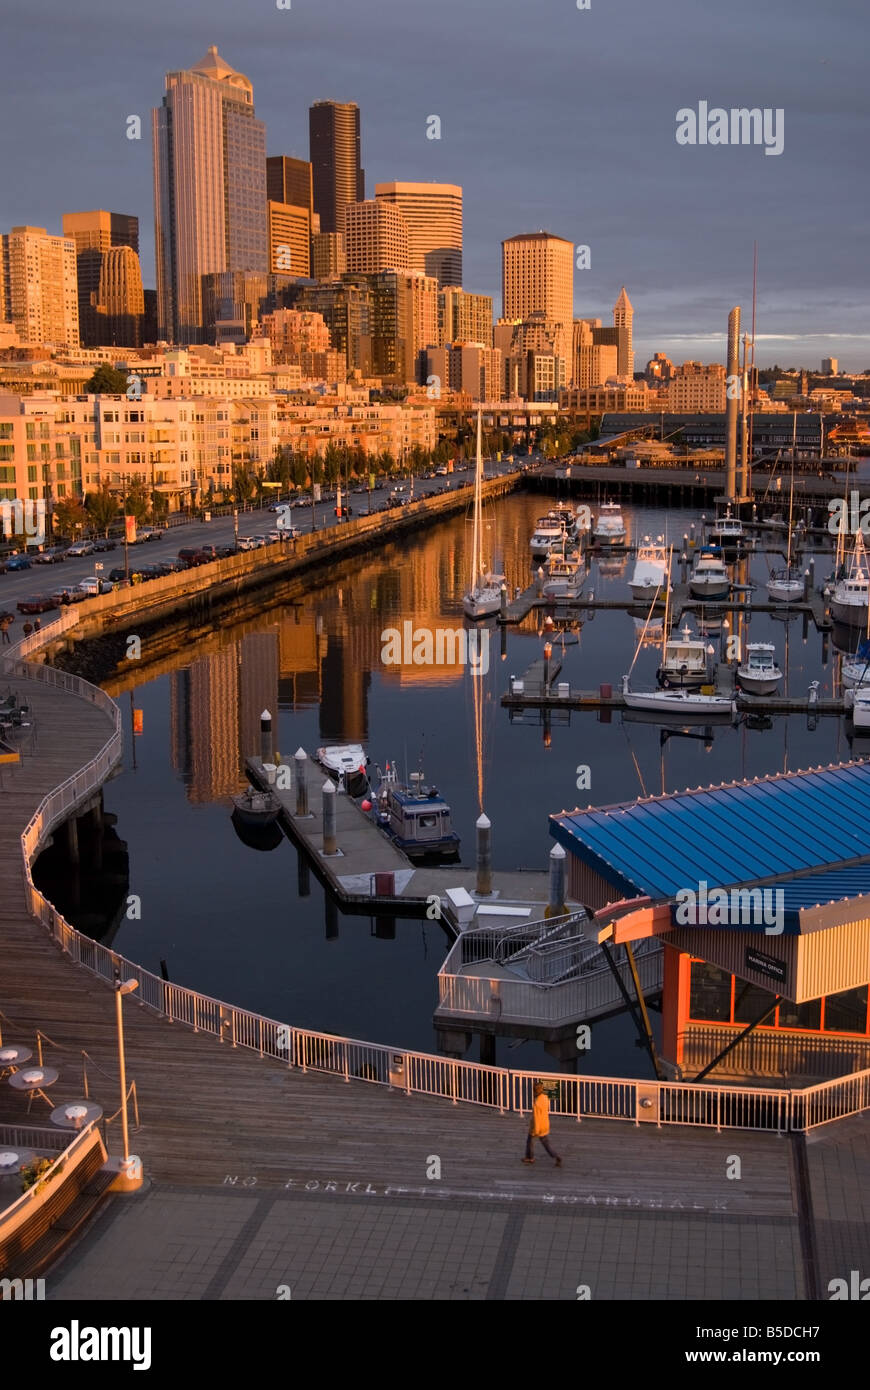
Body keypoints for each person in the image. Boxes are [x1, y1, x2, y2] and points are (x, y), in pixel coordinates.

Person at [523, 1082, 562, 1166]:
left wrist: (536, 1130)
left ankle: (530, 1158)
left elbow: (536, 1117)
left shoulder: (537, 1103)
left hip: (537, 1127)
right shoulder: (545, 1098)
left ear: (535, 1091)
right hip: (545, 1124)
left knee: (530, 1141)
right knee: (546, 1144)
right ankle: (556, 1156)